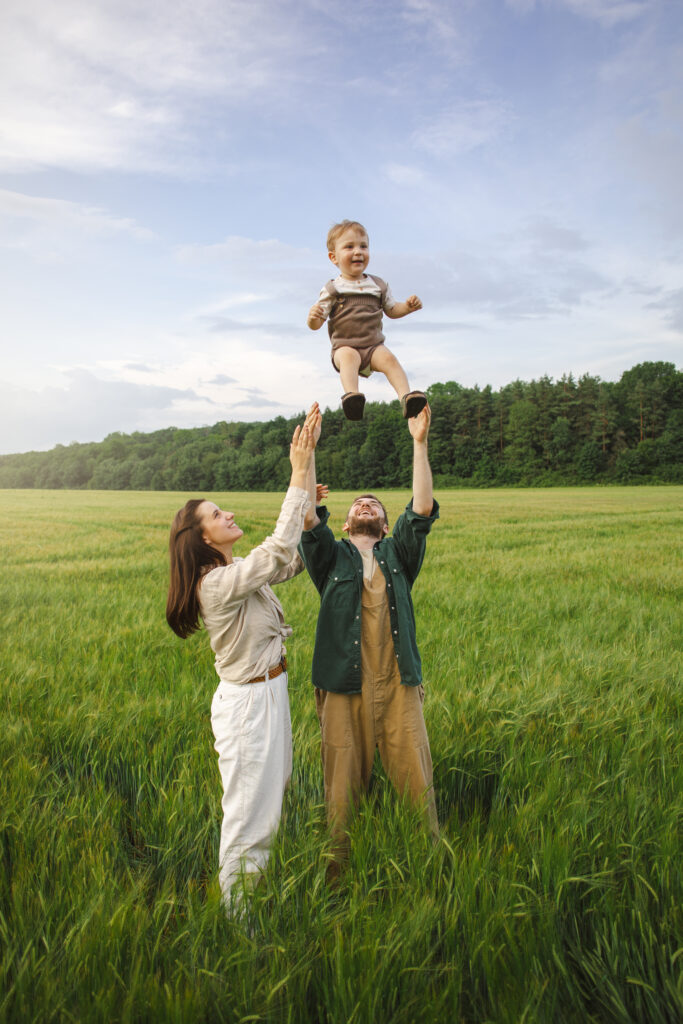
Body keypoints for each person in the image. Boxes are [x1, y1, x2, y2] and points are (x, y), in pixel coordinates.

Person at [166, 403, 321, 909]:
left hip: (270, 695)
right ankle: (238, 927)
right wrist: (296, 473)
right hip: (248, 708)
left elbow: (291, 560)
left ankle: (248, 909)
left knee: (268, 809)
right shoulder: (215, 585)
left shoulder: (238, 578)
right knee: (249, 818)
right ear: (201, 537)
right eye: (216, 514)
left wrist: (308, 485)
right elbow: (275, 550)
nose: (227, 513)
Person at [298, 403, 439, 872]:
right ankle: (337, 873)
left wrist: (419, 444)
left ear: (383, 524)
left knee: (415, 777)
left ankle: (427, 866)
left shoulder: (400, 552)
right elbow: (305, 518)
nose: (365, 504)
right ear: (344, 522)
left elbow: (420, 510)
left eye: (374, 504)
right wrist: (310, 453)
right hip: (343, 684)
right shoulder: (330, 559)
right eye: (358, 503)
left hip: (399, 682)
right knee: (341, 785)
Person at [306, 219, 428, 421]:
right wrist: (313, 318)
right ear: (333, 257)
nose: (358, 251)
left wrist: (407, 307)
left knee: (390, 360)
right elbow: (316, 324)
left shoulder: (378, 285)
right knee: (349, 358)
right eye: (349, 247)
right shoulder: (332, 289)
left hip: (373, 347)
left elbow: (392, 309)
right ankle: (352, 397)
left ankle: (407, 398)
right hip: (344, 346)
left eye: (363, 246)